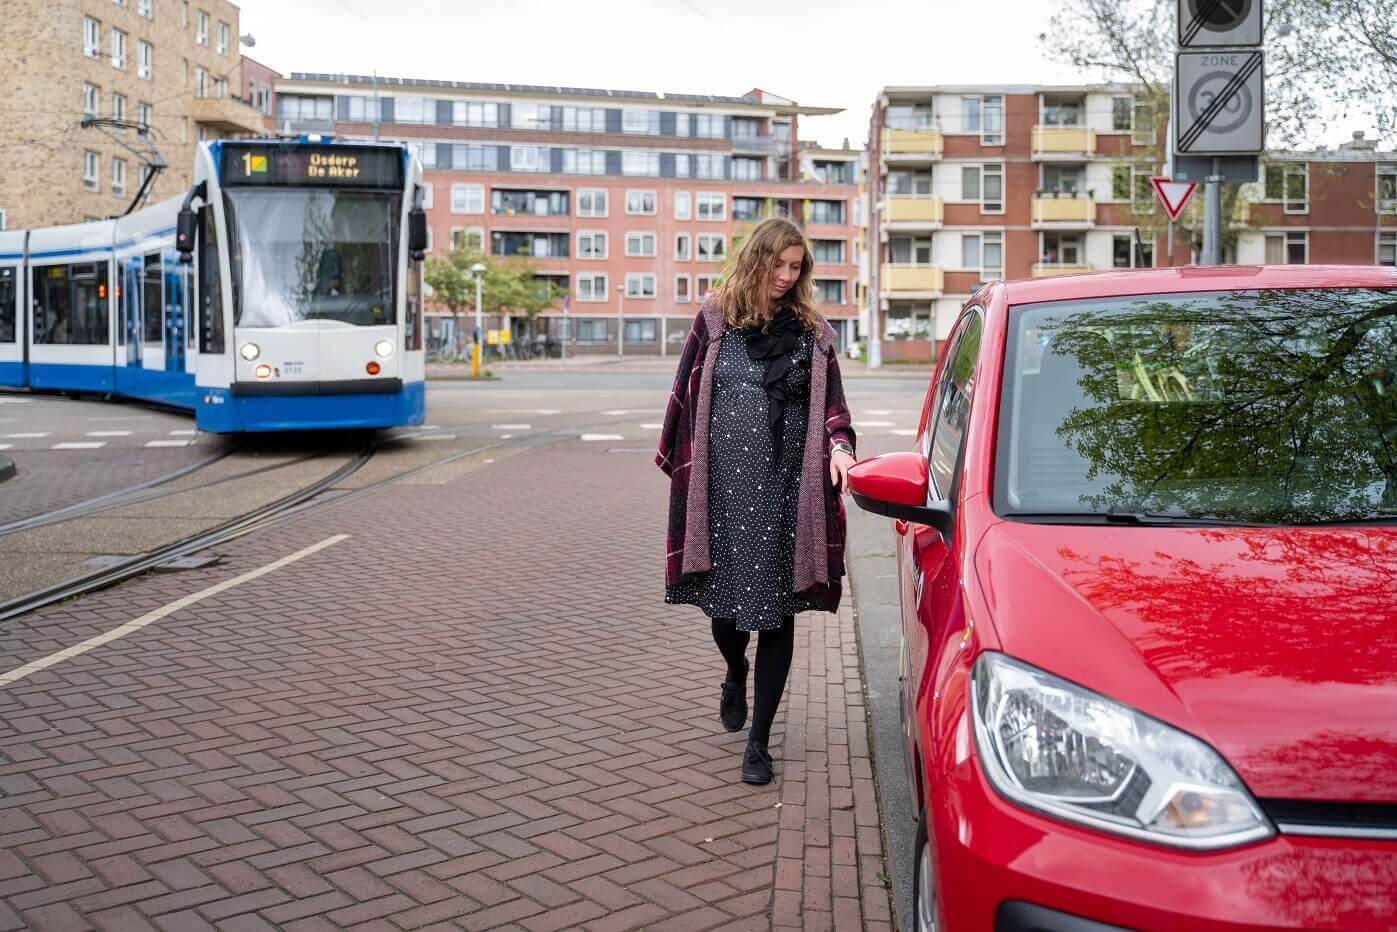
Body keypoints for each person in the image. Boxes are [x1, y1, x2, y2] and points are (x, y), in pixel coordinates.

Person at [656, 217, 857, 785]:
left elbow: (835, 410)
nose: (787, 276)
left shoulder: (815, 333)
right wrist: (681, 465)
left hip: (786, 491)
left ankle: (760, 743)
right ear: (757, 260)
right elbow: (684, 389)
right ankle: (732, 668)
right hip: (722, 489)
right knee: (726, 615)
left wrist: (840, 449)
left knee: (777, 613)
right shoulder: (714, 320)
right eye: (779, 264)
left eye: (797, 268)